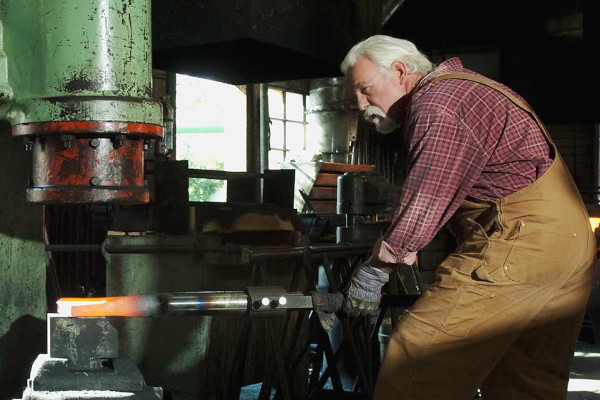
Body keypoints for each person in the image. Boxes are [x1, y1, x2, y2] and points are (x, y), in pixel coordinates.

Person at [340, 34, 596, 399]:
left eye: (364, 90)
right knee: (523, 380)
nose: (360, 104)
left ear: (399, 71)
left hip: (522, 244)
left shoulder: (438, 104)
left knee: (420, 356)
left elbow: (427, 197)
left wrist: (375, 271)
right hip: (567, 248)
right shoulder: (467, 90)